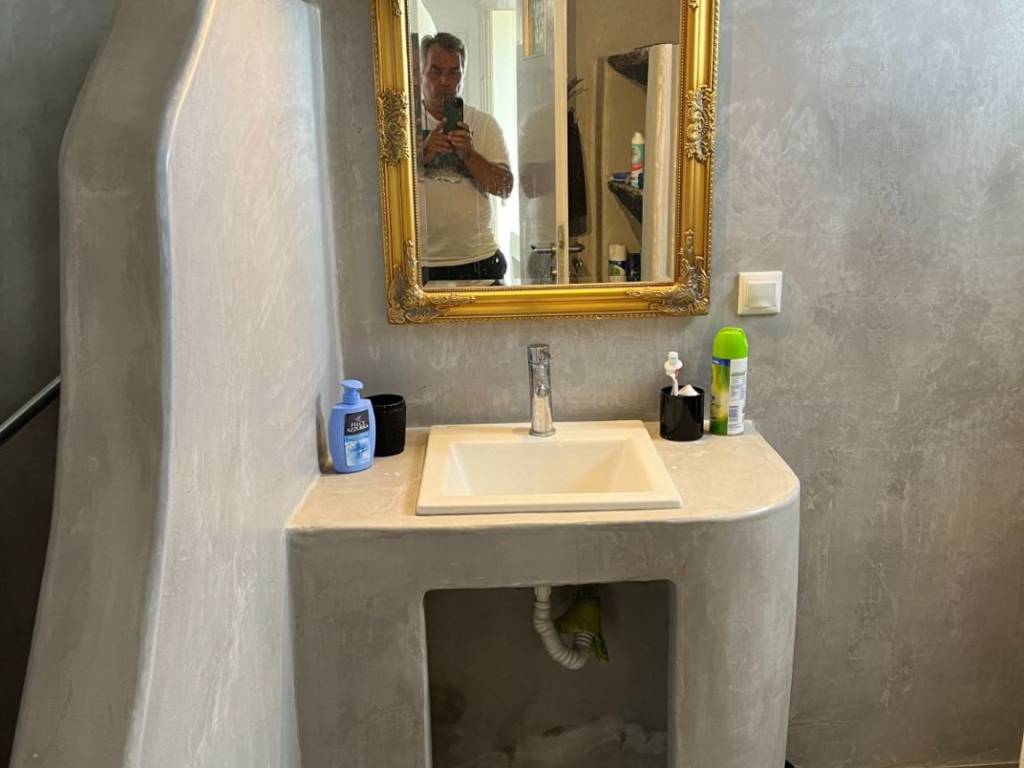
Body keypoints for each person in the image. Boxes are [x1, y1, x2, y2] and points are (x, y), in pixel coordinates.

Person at [416, 32, 514, 285]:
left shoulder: (484, 124)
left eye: (454, 73)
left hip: (479, 262)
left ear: (463, 75)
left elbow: (504, 187)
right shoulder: (403, 126)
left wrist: (470, 155)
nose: (445, 82)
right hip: (421, 263)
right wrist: (421, 155)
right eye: (435, 72)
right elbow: (380, 190)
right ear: (420, 73)